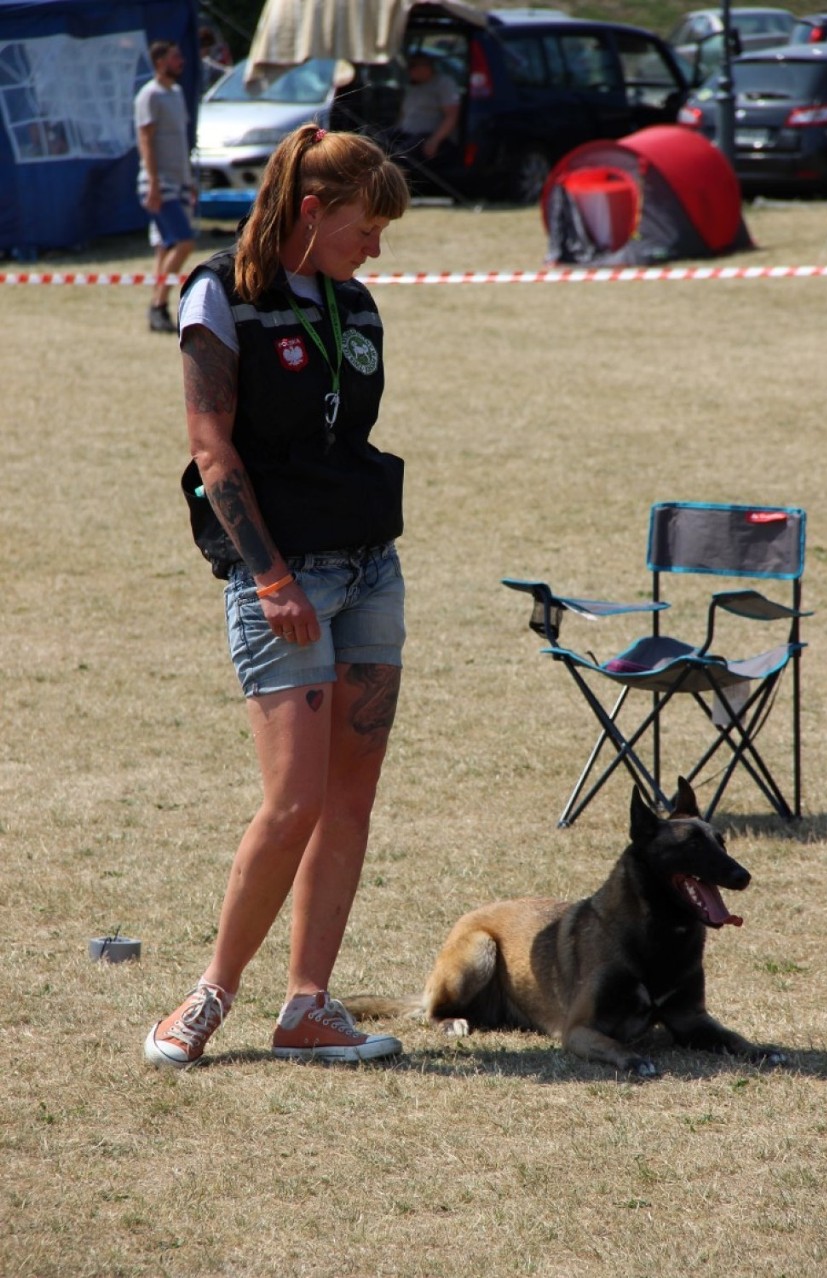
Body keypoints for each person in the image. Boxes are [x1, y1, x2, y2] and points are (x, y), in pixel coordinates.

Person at [144, 123, 411, 1069]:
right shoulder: (220, 293)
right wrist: (270, 577)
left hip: (371, 567)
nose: (376, 245)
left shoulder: (357, 303)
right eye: (366, 225)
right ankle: (211, 993)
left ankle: (308, 1007)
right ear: (313, 210)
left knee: (350, 801)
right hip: (283, 578)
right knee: (291, 802)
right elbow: (213, 450)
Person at [134, 40, 196, 334]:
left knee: (164, 248)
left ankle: (158, 312)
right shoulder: (149, 95)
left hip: (180, 182)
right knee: (184, 242)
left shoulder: (176, 93)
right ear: (160, 61)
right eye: (175, 57)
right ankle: (158, 305)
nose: (181, 61)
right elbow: (145, 139)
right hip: (160, 183)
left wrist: (190, 180)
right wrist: (154, 184)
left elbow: (179, 142)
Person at [390, 52, 461, 172]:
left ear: (426, 67)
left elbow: (452, 115)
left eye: (413, 66)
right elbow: (404, 114)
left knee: (400, 156)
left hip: (429, 137)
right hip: (406, 133)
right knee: (377, 144)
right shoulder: (413, 86)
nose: (409, 70)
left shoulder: (444, 84)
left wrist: (435, 140)